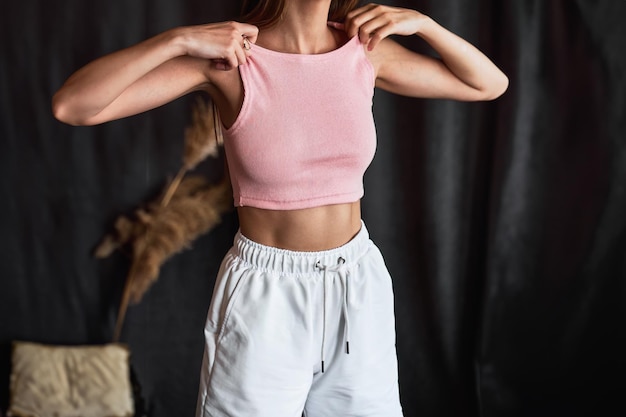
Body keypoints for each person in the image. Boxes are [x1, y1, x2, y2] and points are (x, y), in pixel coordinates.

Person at [52, 0, 508, 415]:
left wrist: (424, 25)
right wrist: (177, 40)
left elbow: (490, 84)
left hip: (357, 286)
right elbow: (73, 105)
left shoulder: (363, 52)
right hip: (265, 297)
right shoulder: (232, 60)